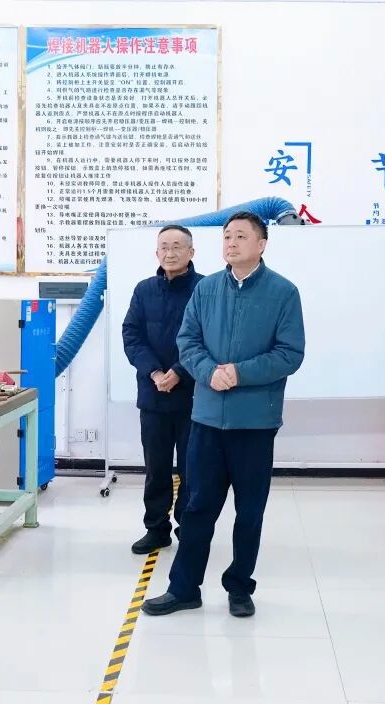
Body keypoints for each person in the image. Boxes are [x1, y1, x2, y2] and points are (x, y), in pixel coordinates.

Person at [142, 211, 305, 618]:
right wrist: (208, 372)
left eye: (241, 237)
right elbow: (187, 340)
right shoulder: (207, 288)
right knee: (198, 507)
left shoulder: (283, 292)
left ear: (261, 245)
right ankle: (184, 589)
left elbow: (290, 353)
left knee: (249, 511)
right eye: (227, 236)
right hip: (207, 419)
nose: (231, 243)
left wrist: (240, 373)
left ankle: (239, 587)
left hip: (255, 422)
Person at [121, 224, 203, 554]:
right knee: (156, 468)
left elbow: (208, 338)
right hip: (153, 394)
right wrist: (155, 371)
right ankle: (156, 529)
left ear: (191, 252)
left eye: (177, 246)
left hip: (194, 395)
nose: (170, 253)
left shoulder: (205, 289)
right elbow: (131, 335)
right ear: (157, 253)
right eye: (164, 247)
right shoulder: (144, 290)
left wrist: (180, 372)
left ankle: (189, 528)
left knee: (193, 468)